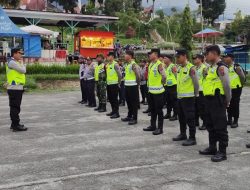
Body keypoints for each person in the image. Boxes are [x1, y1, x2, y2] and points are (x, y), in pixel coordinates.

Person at [199, 45, 231, 162]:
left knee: (220, 127)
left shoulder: (221, 68)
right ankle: (212, 147)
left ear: (213, 53)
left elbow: (227, 85)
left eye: (207, 54)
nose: (205, 57)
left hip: (218, 100)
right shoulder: (211, 67)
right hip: (208, 100)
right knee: (210, 125)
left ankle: (222, 152)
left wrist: (227, 100)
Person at [172, 49, 199, 146]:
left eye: (178, 57)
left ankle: (192, 138)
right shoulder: (179, 68)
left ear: (184, 56)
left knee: (190, 118)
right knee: (181, 117)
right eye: (176, 57)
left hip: (188, 98)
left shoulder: (191, 68)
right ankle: (183, 134)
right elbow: (179, 80)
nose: (177, 59)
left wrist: (195, 95)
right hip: (180, 97)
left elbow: (196, 83)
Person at [143, 49, 166, 135]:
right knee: (152, 110)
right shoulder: (151, 64)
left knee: (159, 110)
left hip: (158, 92)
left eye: (151, 54)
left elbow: (164, 76)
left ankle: (160, 128)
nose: (149, 55)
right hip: (151, 91)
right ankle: (153, 125)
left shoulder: (159, 64)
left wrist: (161, 84)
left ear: (155, 54)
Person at [6, 48, 28, 132]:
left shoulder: (14, 62)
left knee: (14, 106)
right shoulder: (12, 62)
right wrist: (22, 63)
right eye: (19, 53)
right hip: (15, 88)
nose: (21, 55)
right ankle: (16, 125)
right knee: (15, 107)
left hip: (16, 88)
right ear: (14, 54)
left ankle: (14, 124)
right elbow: (23, 70)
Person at [223, 53, 245, 128]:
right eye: (224, 57)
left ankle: (235, 121)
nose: (225, 59)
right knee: (228, 104)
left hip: (236, 89)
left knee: (235, 105)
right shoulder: (225, 67)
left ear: (231, 58)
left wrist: (240, 85)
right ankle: (229, 120)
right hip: (228, 89)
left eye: (226, 57)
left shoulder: (236, 67)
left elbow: (242, 77)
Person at [121, 50, 140, 125]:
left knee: (134, 103)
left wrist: (137, 85)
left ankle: (134, 118)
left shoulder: (133, 64)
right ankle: (129, 116)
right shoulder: (127, 64)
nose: (125, 56)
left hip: (133, 86)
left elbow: (138, 76)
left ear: (130, 56)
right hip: (127, 86)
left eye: (126, 54)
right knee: (128, 102)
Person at [106, 51, 122, 119]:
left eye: (108, 56)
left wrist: (118, 83)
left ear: (112, 57)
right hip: (109, 84)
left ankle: (117, 113)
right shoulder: (108, 65)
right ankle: (113, 111)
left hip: (114, 84)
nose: (107, 57)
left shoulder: (115, 64)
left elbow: (120, 75)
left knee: (115, 99)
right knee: (110, 98)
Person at [193, 54, 207, 130]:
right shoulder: (194, 68)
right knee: (195, 107)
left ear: (200, 59)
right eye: (193, 58)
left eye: (195, 58)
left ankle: (205, 123)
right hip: (195, 90)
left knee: (202, 108)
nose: (194, 59)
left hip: (202, 90)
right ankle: (196, 122)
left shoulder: (204, 68)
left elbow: (207, 78)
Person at [163, 54, 178, 121]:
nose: (164, 59)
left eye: (165, 58)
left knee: (174, 101)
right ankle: (168, 113)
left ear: (169, 59)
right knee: (168, 101)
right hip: (167, 86)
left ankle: (175, 115)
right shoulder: (166, 66)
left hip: (173, 86)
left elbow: (176, 75)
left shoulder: (173, 66)